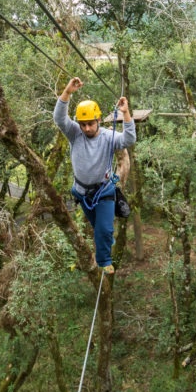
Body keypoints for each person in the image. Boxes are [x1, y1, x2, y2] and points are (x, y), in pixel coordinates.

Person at [54, 77, 135, 274]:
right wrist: (67, 92)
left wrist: (126, 114)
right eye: (83, 124)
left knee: (104, 229)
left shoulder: (108, 137)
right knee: (98, 227)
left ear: (98, 120)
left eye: (90, 123)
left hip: (104, 191)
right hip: (82, 192)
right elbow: (59, 118)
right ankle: (105, 238)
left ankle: (104, 260)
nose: (87, 128)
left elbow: (129, 139)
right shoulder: (75, 134)